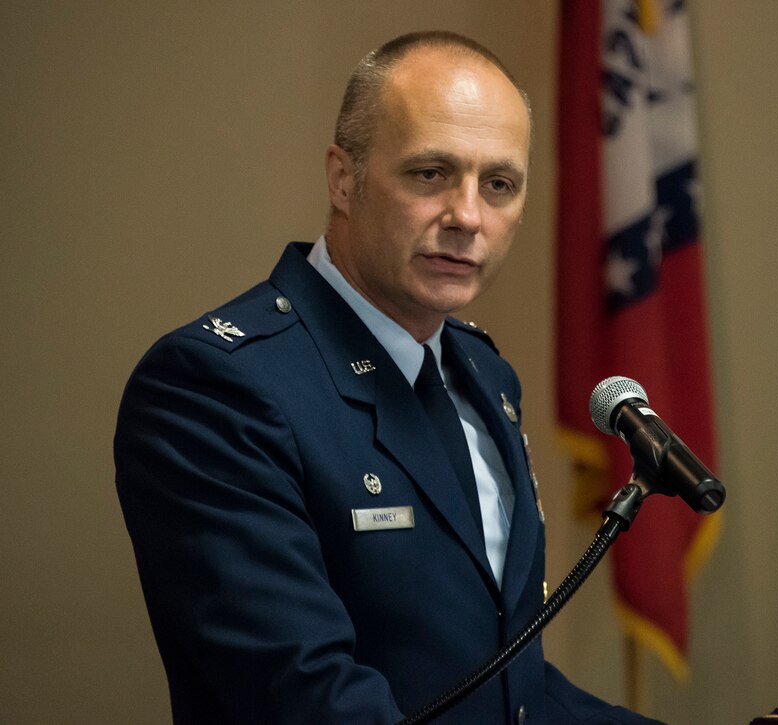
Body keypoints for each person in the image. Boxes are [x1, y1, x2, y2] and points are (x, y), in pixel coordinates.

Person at [115, 31, 661, 725]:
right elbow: (304, 696)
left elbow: (504, 683)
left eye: (499, 183)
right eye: (430, 173)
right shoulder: (216, 386)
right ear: (344, 178)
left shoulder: (485, 374)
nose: (468, 217)